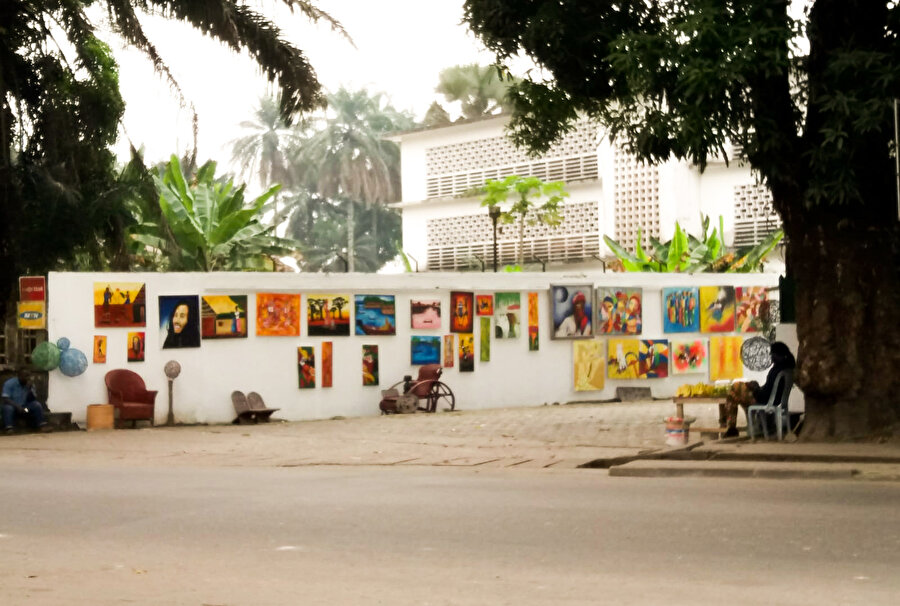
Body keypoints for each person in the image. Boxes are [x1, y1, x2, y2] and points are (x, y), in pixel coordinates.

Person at [723, 341, 796, 437]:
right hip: (774, 400)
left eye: (772, 354)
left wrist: (756, 389)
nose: (771, 356)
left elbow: (766, 394)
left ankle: (732, 427)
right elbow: (771, 388)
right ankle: (751, 426)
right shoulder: (787, 368)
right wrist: (756, 386)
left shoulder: (777, 370)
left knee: (734, 389)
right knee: (737, 393)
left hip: (765, 400)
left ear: (778, 354)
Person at [2, 368, 50, 434]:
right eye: (26, 376)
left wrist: (29, 390)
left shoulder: (30, 385)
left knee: (36, 404)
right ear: (19, 376)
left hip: (25, 409)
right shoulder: (9, 383)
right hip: (14, 408)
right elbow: (5, 399)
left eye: (29, 376)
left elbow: (32, 399)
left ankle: (41, 426)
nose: (28, 378)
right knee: (8, 408)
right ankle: (9, 428)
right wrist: (17, 407)